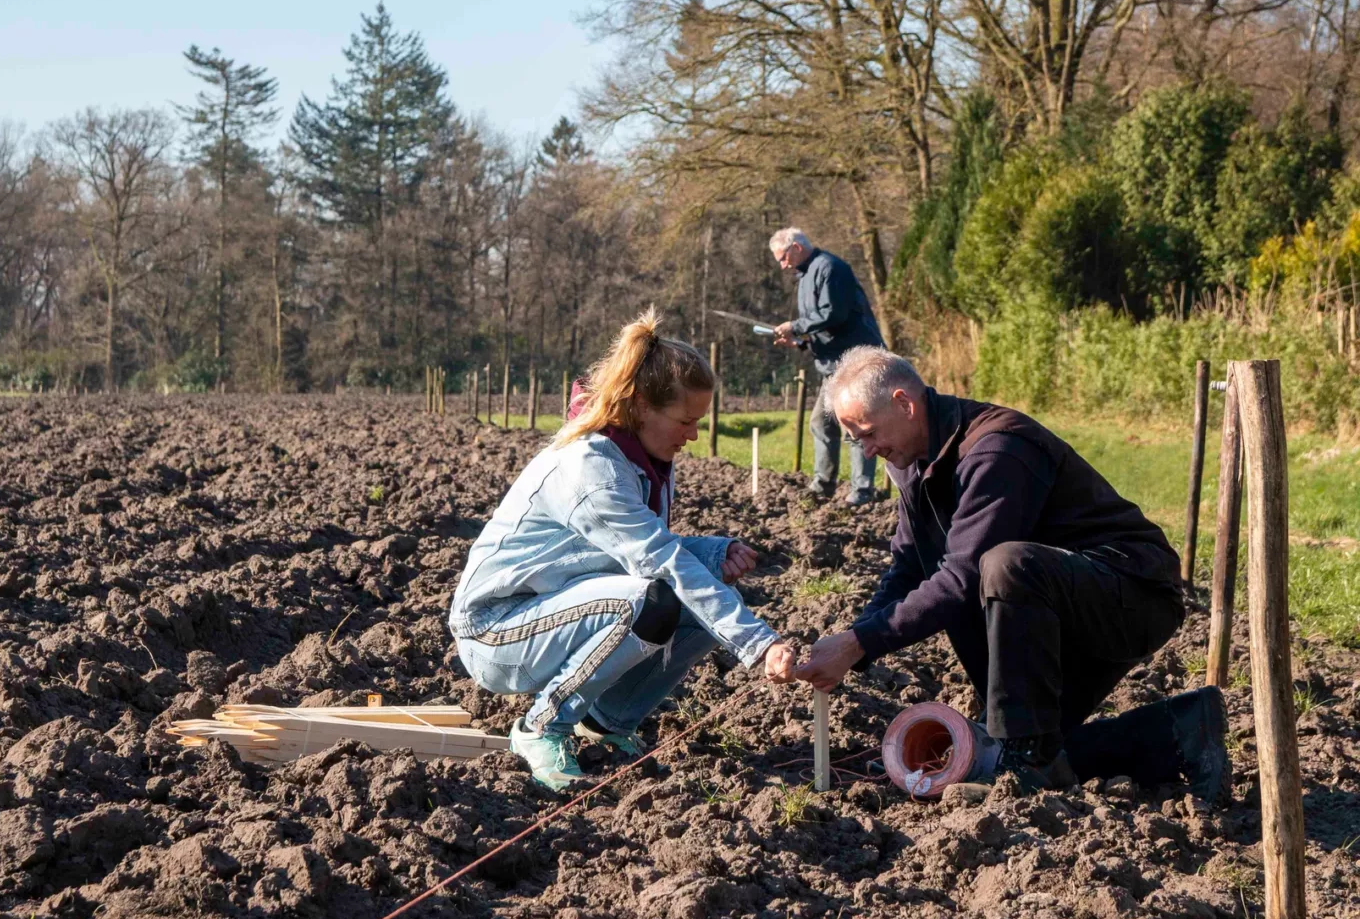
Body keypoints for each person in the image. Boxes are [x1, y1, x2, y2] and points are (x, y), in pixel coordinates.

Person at [795, 346, 1228, 799]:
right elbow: (907, 570)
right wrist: (853, 642)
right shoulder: (912, 463)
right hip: (1054, 607)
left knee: (1002, 566)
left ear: (905, 403)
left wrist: (860, 643)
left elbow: (962, 577)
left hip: (1129, 594)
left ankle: (1023, 762)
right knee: (1027, 742)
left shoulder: (996, 447)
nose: (866, 450)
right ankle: (1180, 730)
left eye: (867, 433)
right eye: (854, 440)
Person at [450, 309, 798, 789]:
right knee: (649, 600)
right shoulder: (593, 470)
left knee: (693, 593)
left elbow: (641, 549)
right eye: (685, 421)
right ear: (638, 407)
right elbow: (659, 561)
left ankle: (609, 722)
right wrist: (759, 646)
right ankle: (540, 727)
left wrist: (715, 554)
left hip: (554, 606)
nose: (693, 435)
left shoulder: (643, 458)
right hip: (494, 631)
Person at [769, 227, 886, 506]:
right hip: (832, 363)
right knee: (821, 423)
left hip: (854, 361)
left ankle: (862, 491)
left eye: (783, 258)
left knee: (856, 424)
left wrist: (794, 326)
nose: (783, 266)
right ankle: (823, 485)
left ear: (796, 247)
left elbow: (834, 313)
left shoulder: (832, 268)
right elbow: (822, 327)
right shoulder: (806, 276)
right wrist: (799, 343)